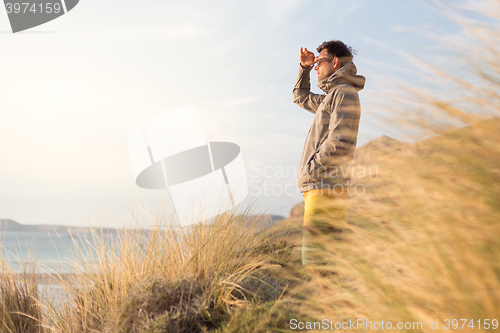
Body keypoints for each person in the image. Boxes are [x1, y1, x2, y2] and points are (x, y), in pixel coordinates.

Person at [293, 40, 365, 266]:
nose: (316, 66)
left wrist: (311, 168)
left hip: (325, 186)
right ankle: (336, 302)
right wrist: (304, 69)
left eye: (319, 61)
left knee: (316, 262)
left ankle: (336, 302)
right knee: (323, 262)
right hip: (323, 186)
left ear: (335, 63)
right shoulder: (330, 97)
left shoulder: (344, 93)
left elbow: (340, 140)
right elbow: (301, 97)